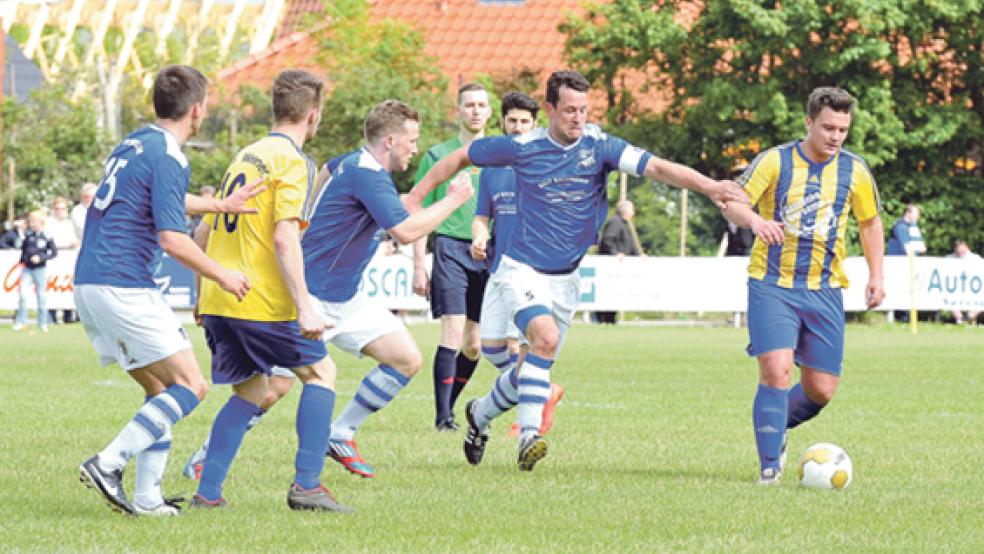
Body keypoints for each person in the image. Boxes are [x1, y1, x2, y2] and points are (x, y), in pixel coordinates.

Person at [407, 70, 745, 471]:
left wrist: (710, 186)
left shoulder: (600, 146)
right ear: (549, 109)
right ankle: (529, 436)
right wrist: (415, 195)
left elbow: (656, 168)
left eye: (584, 110)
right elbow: (460, 157)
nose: (578, 118)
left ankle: (480, 414)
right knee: (542, 340)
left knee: (527, 371)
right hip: (521, 269)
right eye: (569, 110)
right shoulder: (521, 147)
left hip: (566, 277)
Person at [183, 101, 474, 482]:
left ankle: (341, 434)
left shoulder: (348, 163)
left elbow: (325, 173)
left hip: (346, 296)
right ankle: (205, 458)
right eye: (412, 140)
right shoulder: (369, 176)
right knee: (272, 390)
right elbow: (405, 232)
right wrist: (452, 201)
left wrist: (309, 217)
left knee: (405, 358)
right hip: (312, 296)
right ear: (389, 141)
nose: (415, 148)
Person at [75, 64, 258, 517]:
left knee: (160, 391)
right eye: (208, 106)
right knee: (191, 386)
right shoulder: (171, 156)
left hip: (91, 282)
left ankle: (148, 500)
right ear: (196, 111)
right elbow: (173, 239)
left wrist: (218, 203)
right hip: (124, 283)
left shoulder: (135, 142)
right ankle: (109, 462)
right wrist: (223, 275)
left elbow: (160, 199)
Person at [190, 69, 353, 513]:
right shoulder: (296, 162)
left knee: (250, 391)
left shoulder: (246, 154)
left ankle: (208, 494)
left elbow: (203, 231)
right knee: (322, 374)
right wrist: (305, 307)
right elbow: (285, 238)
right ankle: (307, 485)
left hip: (221, 297)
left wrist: (200, 294)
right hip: (258, 300)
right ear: (313, 115)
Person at [720, 86, 885, 484]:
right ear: (809, 122)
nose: (835, 137)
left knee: (821, 389)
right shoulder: (775, 161)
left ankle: (773, 424)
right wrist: (755, 220)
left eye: (843, 130)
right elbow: (732, 200)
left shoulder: (855, 170)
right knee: (776, 370)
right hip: (772, 285)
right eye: (828, 127)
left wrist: (877, 274)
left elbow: (869, 222)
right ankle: (769, 468)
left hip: (825, 289)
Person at [470, 91, 564, 438]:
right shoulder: (491, 170)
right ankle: (541, 389)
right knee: (490, 348)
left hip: (531, 272)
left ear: (535, 125)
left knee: (525, 345)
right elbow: (482, 217)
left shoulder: (548, 166)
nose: (518, 127)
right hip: (498, 267)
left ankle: (528, 420)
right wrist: (479, 237)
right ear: (503, 123)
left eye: (525, 122)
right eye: (513, 121)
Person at [413, 82, 493, 431]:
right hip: (449, 248)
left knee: (474, 344)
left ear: (490, 112)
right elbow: (418, 211)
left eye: (481, 105)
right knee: (453, 329)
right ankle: (442, 417)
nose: (476, 110)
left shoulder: (500, 155)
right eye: (469, 105)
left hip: (487, 253)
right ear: (458, 111)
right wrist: (419, 264)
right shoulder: (437, 156)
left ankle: (452, 405)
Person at [595, 200, 642, 324]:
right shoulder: (615, 223)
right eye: (632, 209)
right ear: (626, 211)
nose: (633, 212)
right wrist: (615, 253)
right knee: (607, 293)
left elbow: (629, 245)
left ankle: (610, 319)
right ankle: (603, 318)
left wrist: (639, 255)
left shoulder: (624, 224)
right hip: (610, 267)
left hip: (617, 268)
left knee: (614, 293)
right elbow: (607, 240)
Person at [13, 210, 57, 332]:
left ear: (41, 222)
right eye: (30, 221)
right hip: (27, 269)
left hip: (40, 269)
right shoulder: (27, 235)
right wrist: (20, 234)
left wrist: (41, 258)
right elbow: (20, 247)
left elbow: (54, 253)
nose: (32, 224)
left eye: (34, 221)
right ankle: (21, 321)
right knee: (22, 295)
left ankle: (43, 323)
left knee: (41, 296)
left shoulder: (47, 236)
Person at [48, 196, 80, 324]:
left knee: (67, 287)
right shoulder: (48, 223)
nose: (60, 211)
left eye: (62, 209)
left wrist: (74, 243)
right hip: (53, 257)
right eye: (57, 208)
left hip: (67, 257)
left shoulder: (68, 224)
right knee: (52, 287)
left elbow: (74, 239)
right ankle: (52, 316)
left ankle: (68, 316)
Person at [948, 240, 982, 324]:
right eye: (958, 250)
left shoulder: (976, 259)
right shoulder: (948, 259)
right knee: (948, 301)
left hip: (973, 291)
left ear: (967, 248)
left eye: (962, 250)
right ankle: (960, 320)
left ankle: (967, 318)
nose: (960, 252)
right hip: (954, 291)